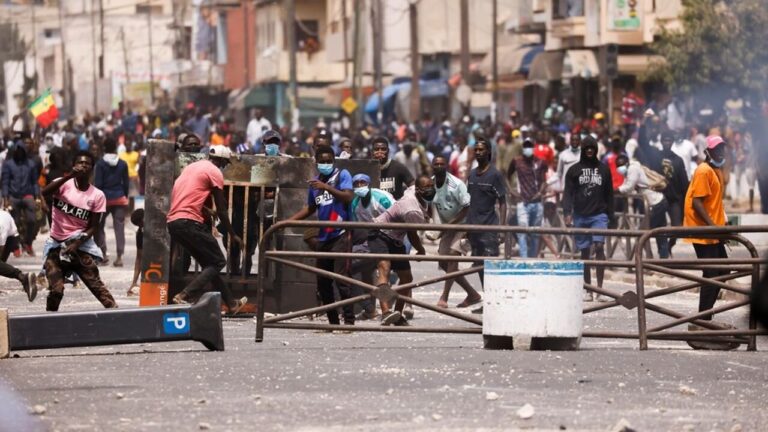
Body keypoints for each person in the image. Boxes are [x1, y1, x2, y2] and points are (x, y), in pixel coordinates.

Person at [166, 145, 247, 314]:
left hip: (174, 222)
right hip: (190, 222)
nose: (224, 167)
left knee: (209, 265)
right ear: (222, 161)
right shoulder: (214, 171)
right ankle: (184, 294)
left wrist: (205, 210)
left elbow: (187, 195)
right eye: (225, 163)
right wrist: (232, 234)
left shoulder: (192, 167)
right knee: (218, 262)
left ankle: (231, 304)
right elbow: (222, 208)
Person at [287, 146, 356, 326]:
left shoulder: (342, 175)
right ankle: (333, 323)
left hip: (341, 233)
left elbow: (348, 197)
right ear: (316, 162)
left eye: (328, 161)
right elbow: (311, 208)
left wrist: (326, 187)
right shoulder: (315, 184)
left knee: (343, 280)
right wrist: (288, 221)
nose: (325, 164)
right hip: (324, 236)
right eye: (322, 161)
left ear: (333, 160)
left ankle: (349, 321)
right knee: (323, 282)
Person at [41, 151, 117, 312]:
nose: (83, 165)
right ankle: (49, 322)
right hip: (56, 246)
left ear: (91, 169)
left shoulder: (97, 195)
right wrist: (68, 177)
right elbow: (44, 193)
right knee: (56, 290)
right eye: (80, 162)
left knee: (98, 288)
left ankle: (118, 319)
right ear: (74, 166)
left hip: (79, 246)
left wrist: (77, 243)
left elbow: (94, 227)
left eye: (87, 163)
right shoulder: (62, 184)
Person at [683, 135, 738, 350]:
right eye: (717, 150)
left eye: (723, 149)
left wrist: (721, 223)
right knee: (713, 272)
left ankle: (706, 316)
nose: (721, 153)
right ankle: (703, 319)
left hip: (713, 229)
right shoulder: (703, 170)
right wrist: (712, 227)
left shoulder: (715, 170)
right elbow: (697, 203)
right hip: (703, 230)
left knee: (722, 271)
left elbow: (714, 202)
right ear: (708, 151)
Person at [368, 176, 432, 325]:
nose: (430, 190)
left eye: (431, 186)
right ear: (418, 190)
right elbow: (412, 233)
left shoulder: (414, 192)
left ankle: (397, 314)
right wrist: (421, 250)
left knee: (406, 278)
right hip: (380, 233)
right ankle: (385, 312)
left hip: (396, 238)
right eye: (426, 187)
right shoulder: (412, 209)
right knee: (384, 268)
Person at [562, 136, 614, 302]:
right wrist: (567, 213)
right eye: (587, 148)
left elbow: (610, 195)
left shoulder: (604, 170)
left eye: (592, 147)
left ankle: (599, 288)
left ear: (596, 149)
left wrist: (611, 216)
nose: (589, 150)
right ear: (583, 150)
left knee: (599, 247)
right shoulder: (573, 170)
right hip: (580, 214)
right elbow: (568, 194)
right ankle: (588, 289)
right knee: (584, 251)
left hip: (599, 214)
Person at [432, 156, 481, 309]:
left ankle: (444, 297)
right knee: (443, 262)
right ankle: (472, 294)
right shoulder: (431, 183)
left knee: (453, 256)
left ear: (446, 166)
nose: (439, 166)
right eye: (436, 164)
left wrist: (455, 225)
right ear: (432, 166)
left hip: (461, 224)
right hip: (447, 226)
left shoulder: (456, 184)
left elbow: (467, 206)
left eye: (442, 163)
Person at [349, 173, 394, 320]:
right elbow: (358, 228)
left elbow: (397, 216)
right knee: (351, 268)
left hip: (391, 237)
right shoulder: (355, 204)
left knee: (389, 273)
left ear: (369, 184)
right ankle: (374, 309)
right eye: (356, 183)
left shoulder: (381, 198)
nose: (360, 186)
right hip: (371, 240)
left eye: (363, 182)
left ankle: (390, 309)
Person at [466, 138, 507, 292]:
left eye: (481, 149)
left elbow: (503, 202)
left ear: (488, 151)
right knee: (478, 266)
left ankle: (496, 300)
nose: (478, 152)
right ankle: (488, 301)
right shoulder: (471, 175)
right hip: (473, 228)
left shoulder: (495, 174)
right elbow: (469, 201)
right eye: (476, 150)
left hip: (489, 228)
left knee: (490, 267)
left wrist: (502, 228)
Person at [615, 154, 669, 258]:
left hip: (656, 203)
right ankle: (663, 260)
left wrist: (614, 191)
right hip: (657, 202)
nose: (619, 168)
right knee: (659, 234)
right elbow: (626, 186)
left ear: (627, 163)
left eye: (621, 165)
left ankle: (651, 260)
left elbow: (628, 187)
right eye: (617, 166)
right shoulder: (630, 170)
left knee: (644, 235)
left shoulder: (633, 169)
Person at [507, 139, 548, 258]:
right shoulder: (516, 161)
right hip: (523, 203)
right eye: (526, 146)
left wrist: (540, 192)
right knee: (522, 232)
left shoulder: (540, 162)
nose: (528, 148)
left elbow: (544, 181)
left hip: (537, 203)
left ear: (533, 148)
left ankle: (532, 259)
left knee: (535, 234)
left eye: (530, 146)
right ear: (522, 148)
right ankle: (524, 260)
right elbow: (508, 175)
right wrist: (511, 190)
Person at [94, 137, 129, 267]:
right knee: (119, 228)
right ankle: (119, 256)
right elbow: (126, 184)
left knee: (99, 226)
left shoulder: (100, 164)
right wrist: (124, 196)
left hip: (104, 199)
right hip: (119, 198)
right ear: (115, 148)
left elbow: (98, 184)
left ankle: (103, 254)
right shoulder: (122, 164)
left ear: (104, 148)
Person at [2, 140, 41, 256]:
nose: (19, 153)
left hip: (27, 195)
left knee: (32, 220)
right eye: (17, 151)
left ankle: (28, 242)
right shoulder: (8, 164)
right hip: (13, 196)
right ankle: (15, 246)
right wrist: (5, 197)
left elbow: (35, 182)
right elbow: (5, 182)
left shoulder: (31, 164)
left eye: (21, 151)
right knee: (14, 222)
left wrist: (37, 196)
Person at [0, 208, 37, 301]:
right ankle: (22, 277)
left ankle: (23, 277)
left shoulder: (1, 226)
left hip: (11, 238)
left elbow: (1, 249)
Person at [127, 208, 143, 296]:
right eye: (140, 226)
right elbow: (139, 258)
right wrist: (134, 282)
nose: (142, 227)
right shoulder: (140, 233)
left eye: (142, 224)